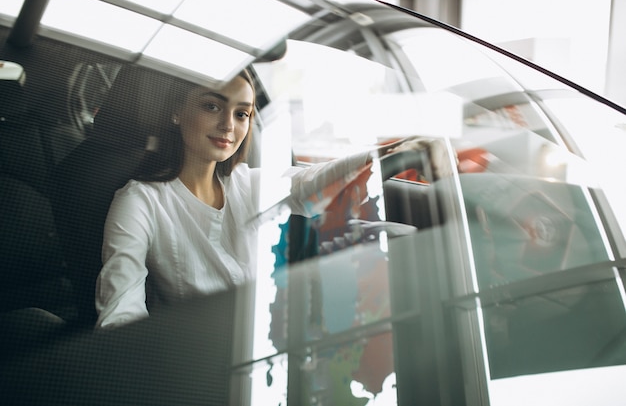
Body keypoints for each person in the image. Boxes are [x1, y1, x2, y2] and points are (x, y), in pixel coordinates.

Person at [95, 69, 448, 329]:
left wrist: (401, 151)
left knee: (396, 239)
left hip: (273, 342)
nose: (229, 126)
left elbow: (313, 186)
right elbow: (121, 311)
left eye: (241, 113)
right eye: (212, 107)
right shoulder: (139, 202)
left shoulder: (245, 184)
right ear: (176, 112)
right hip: (204, 358)